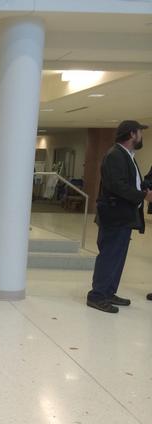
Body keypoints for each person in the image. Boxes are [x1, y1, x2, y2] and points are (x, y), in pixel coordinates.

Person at [87, 120, 152, 313]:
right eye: (140, 132)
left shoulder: (126, 155)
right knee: (109, 255)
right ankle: (97, 295)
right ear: (132, 134)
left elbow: (128, 183)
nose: (142, 136)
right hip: (114, 216)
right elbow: (117, 186)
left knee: (117, 257)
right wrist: (144, 195)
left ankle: (108, 292)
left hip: (123, 216)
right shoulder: (116, 155)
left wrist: (143, 189)